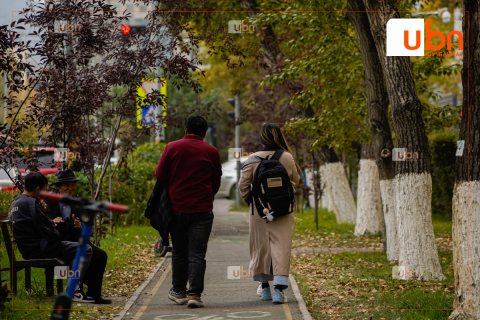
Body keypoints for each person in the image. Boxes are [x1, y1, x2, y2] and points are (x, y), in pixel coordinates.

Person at [155, 116, 222, 308]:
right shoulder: (212, 151)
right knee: (197, 254)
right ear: (204, 133)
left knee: (179, 251)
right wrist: (207, 196)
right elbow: (216, 180)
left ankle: (179, 291)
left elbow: (160, 175)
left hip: (176, 208)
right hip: (202, 209)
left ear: (186, 130)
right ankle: (194, 295)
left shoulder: (172, 147)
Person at [239, 123, 302, 304]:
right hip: (283, 210)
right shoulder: (288, 157)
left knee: (261, 247)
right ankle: (279, 291)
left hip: (259, 211)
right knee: (281, 247)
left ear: (261, 138)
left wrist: (251, 199)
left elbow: (243, 186)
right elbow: (297, 180)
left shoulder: (251, 159)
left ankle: (265, 289)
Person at [8, 172, 93, 302]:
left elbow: (38, 225)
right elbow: (50, 228)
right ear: (37, 189)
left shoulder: (15, 203)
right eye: (43, 189)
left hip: (27, 250)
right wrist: (56, 232)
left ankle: (73, 290)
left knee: (71, 250)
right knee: (85, 249)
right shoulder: (32, 204)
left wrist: (44, 212)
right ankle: (73, 291)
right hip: (42, 249)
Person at [45, 168, 111, 304]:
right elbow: (42, 223)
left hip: (76, 239)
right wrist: (52, 222)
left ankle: (94, 294)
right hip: (58, 242)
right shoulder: (48, 201)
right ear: (58, 187)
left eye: (73, 185)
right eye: (66, 185)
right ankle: (76, 290)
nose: (70, 188)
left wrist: (79, 225)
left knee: (100, 255)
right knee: (79, 255)